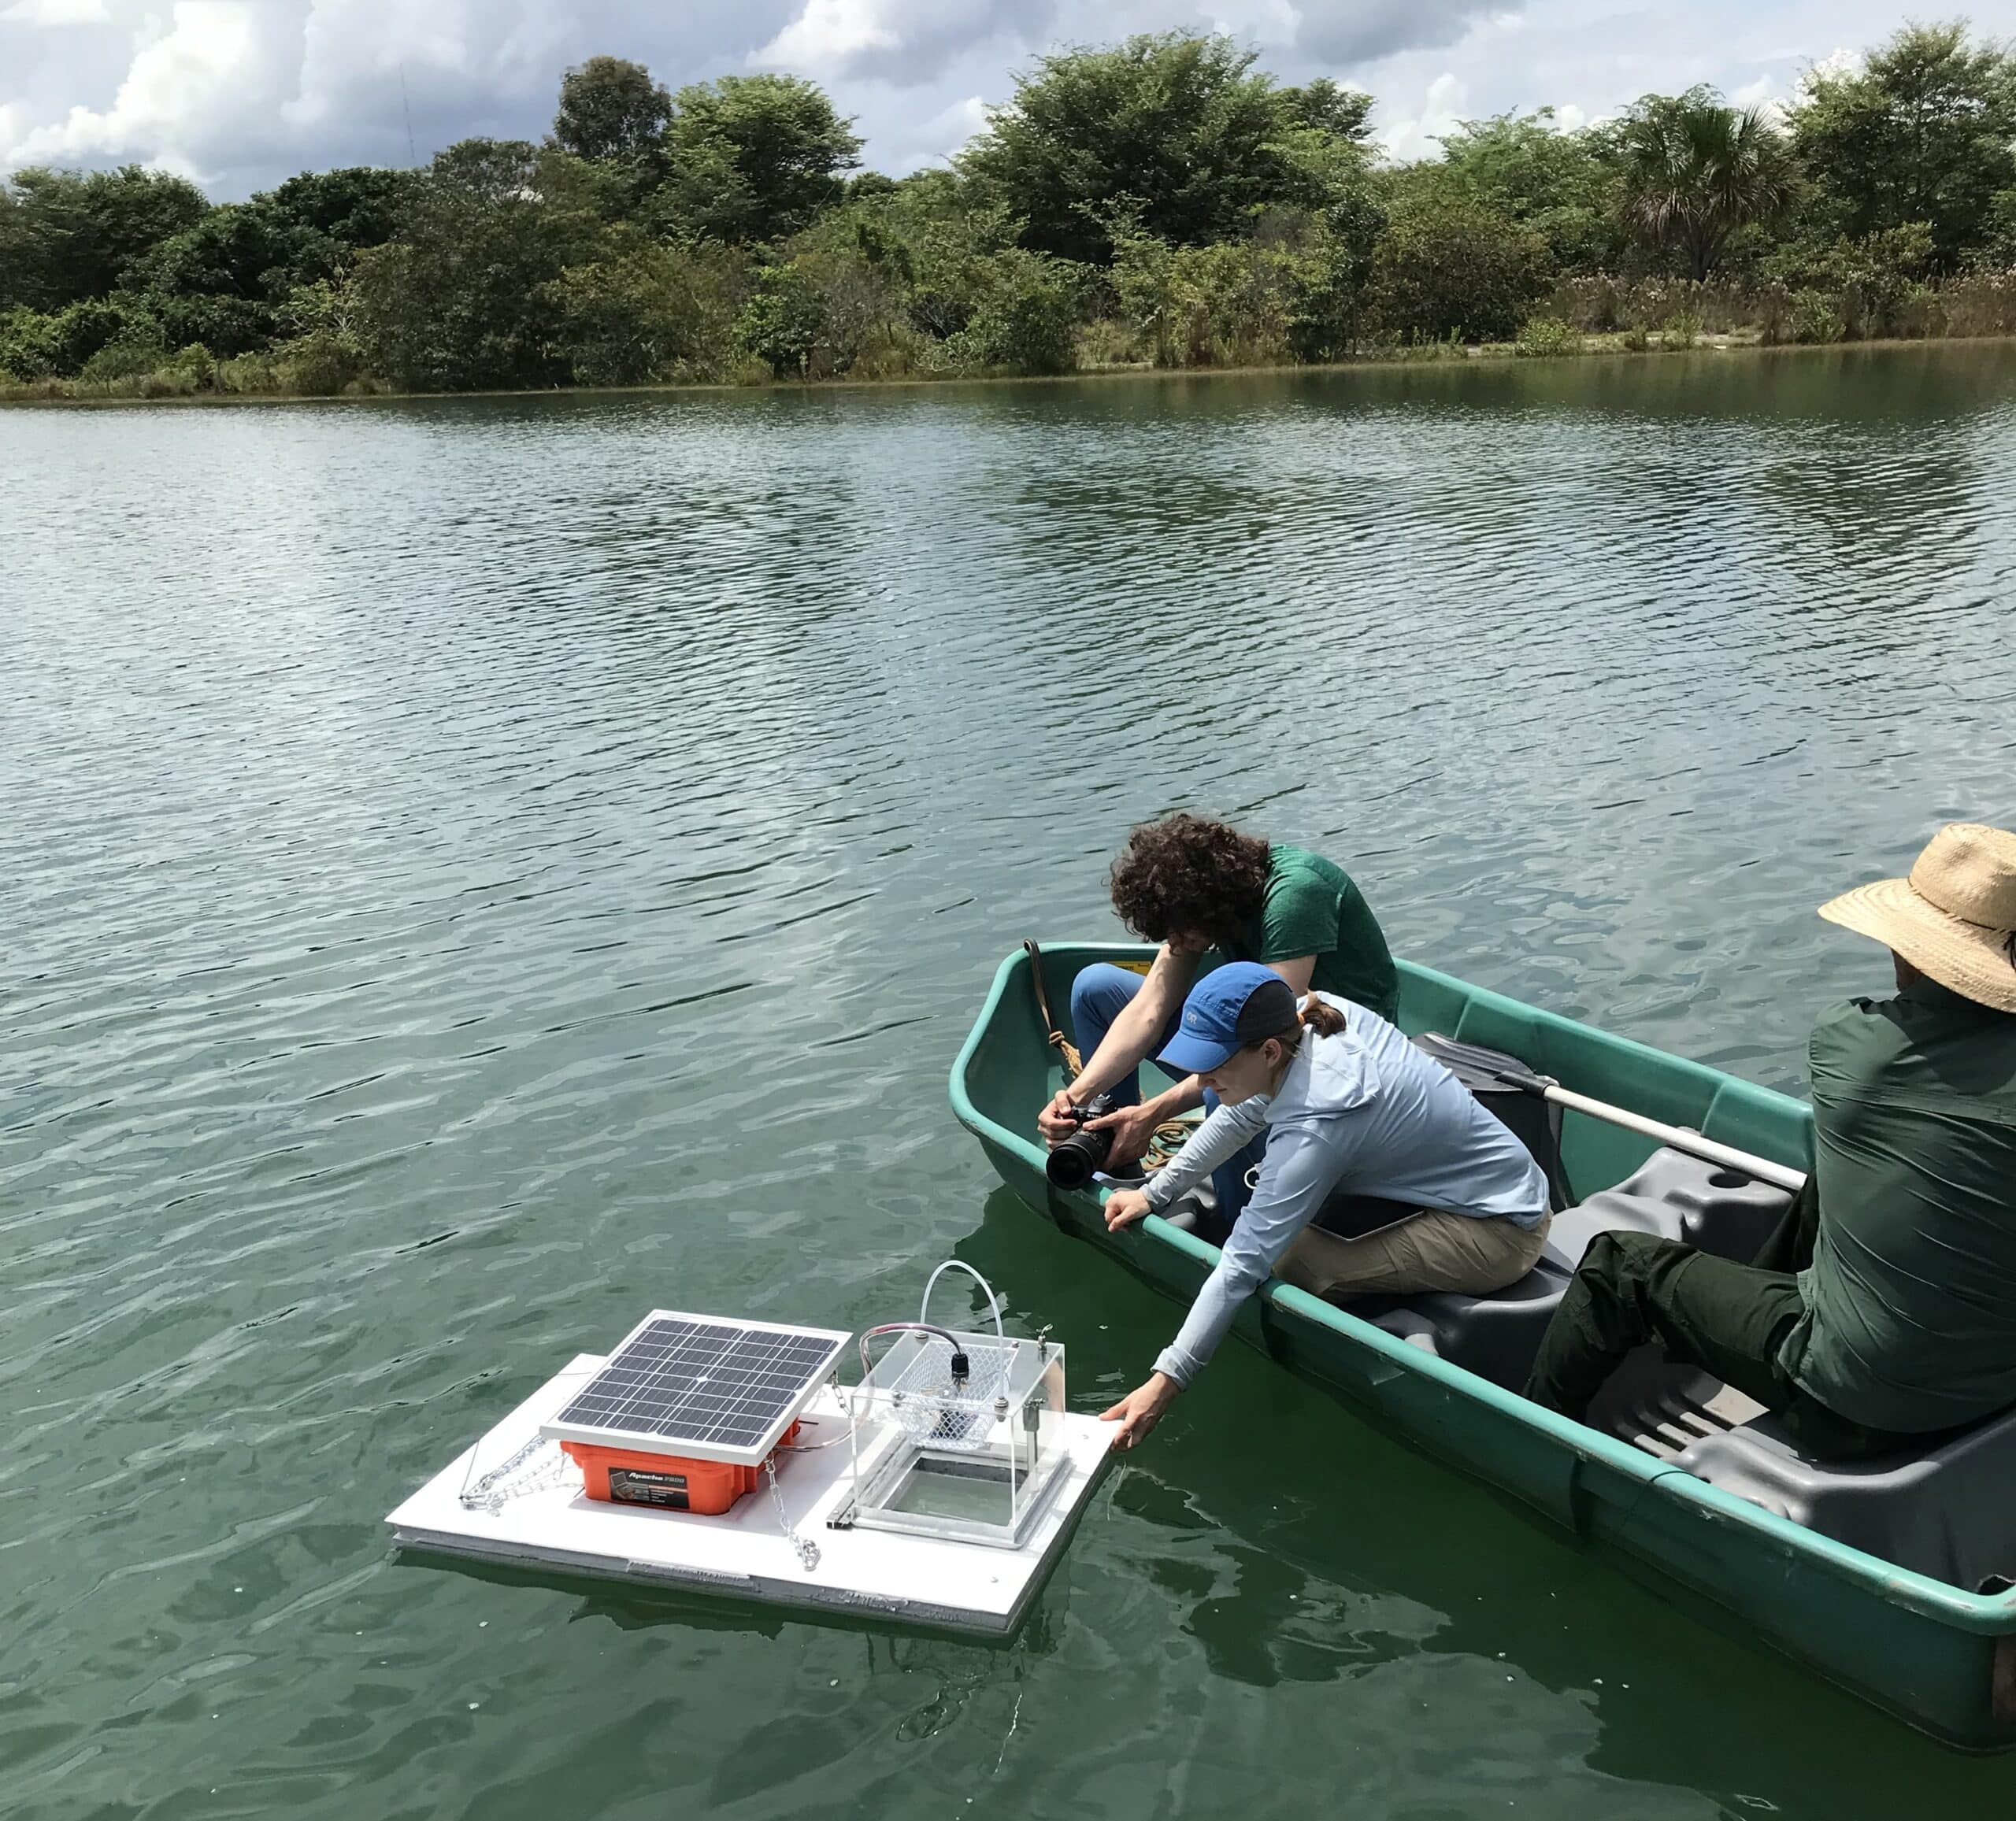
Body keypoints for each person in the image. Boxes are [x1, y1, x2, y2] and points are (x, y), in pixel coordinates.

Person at [1524, 822, 2016, 1460]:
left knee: (1619, 1265)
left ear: (1915, 949)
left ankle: (1531, 1440)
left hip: (1858, 1406)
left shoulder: (1851, 1047)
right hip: (1996, 1391)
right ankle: (1747, 1318)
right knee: (1836, 1178)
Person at [1098, 963, 1551, 1449]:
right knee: (1279, 1221)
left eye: (1214, 1065)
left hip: (1501, 1231)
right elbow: (1238, 1117)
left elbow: (1241, 1265)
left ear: (1269, 1052)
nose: (1204, 1081)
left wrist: (1167, 1380)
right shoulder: (1312, 1019)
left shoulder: (1318, 1125)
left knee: (1289, 1260)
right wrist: (1154, 1192)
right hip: (1488, 1182)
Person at [1039, 813, 1398, 1219]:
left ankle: (1233, 1223)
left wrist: (1153, 1113)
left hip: (1339, 1071)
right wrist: (1075, 1097)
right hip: (1264, 1047)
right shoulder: (1210, 906)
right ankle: (1117, 1153)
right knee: (1096, 989)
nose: (1178, 944)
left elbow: (1272, 1041)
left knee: (1222, 1084)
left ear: (1209, 901)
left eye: (1182, 933)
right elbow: (1149, 1007)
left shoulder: (1295, 897)